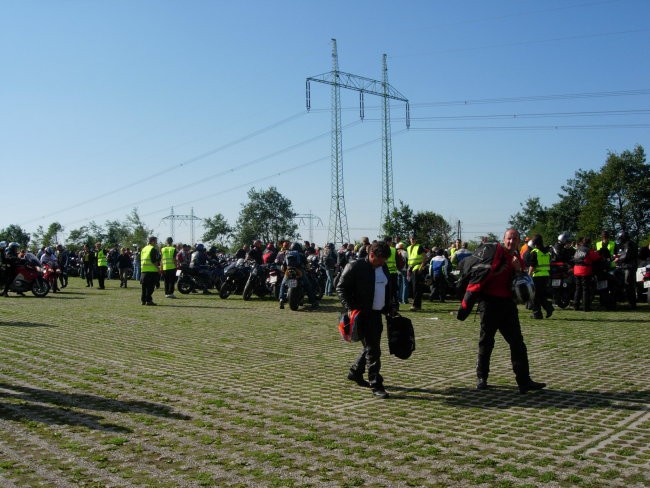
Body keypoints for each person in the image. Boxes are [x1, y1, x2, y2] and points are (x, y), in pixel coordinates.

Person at [476, 229, 546, 394]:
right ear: (503, 239)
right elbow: (482, 275)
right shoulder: (493, 255)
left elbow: (521, 282)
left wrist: (517, 269)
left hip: (507, 305)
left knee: (517, 343)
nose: (511, 241)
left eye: (514, 239)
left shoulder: (518, 259)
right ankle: (482, 377)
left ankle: (524, 381)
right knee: (486, 342)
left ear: (518, 241)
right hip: (489, 304)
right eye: (509, 238)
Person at [336, 240, 396, 399]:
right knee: (373, 350)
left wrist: (390, 305)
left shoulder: (382, 267)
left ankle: (355, 372)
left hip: (377, 313)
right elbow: (340, 287)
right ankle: (376, 384)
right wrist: (350, 308)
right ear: (371, 255)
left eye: (385, 260)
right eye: (380, 259)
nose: (383, 262)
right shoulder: (355, 266)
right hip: (361, 314)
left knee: (371, 347)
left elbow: (387, 287)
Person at [278, 242, 318, 309]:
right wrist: (309, 268)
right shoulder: (301, 254)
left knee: (283, 284)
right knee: (307, 285)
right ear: (299, 247)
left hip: (289, 270)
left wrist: (284, 270)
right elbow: (307, 265)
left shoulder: (287, 253)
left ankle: (281, 299)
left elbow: (283, 266)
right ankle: (313, 302)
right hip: (299, 270)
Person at [527, 234, 554, 319]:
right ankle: (548, 308)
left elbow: (532, 266)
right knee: (541, 295)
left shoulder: (535, 252)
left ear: (534, 243)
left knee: (534, 296)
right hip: (546, 275)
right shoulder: (547, 252)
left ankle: (537, 313)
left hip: (537, 276)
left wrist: (528, 276)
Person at [573, 236, 601, 311]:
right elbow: (596, 258)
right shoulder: (589, 250)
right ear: (589, 243)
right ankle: (586, 307)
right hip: (585, 270)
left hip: (576, 270)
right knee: (586, 289)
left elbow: (574, 258)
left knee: (578, 289)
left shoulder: (578, 249)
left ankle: (576, 306)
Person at [614, 230, 638, 309]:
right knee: (629, 285)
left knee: (628, 285)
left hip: (629, 267)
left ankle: (631, 304)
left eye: (621, 238)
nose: (620, 239)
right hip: (629, 266)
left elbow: (626, 255)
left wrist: (618, 259)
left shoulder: (628, 244)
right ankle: (630, 302)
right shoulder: (629, 244)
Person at [406, 233, 427, 311]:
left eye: (414, 238)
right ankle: (415, 304)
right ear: (409, 239)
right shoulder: (408, 248)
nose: (412, 240)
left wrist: (421, 268)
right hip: (411, 268)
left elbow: (425, 257)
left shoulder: (419, 247)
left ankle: (416, 306)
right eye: (411, 238)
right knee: (412, 288)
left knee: (416, 288)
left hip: (417, 267)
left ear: (416, 239)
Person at [140, 236, 161, 305]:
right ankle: (149, 301)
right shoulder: (153, 249)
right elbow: (153, 261)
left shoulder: (144, 249)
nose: (156, 243)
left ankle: (143, 300)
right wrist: (158, 268)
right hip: (151, 271)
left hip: (143, 270)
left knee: (144, 287)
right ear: (152, 241)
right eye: (155, 241)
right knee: (150, 287)